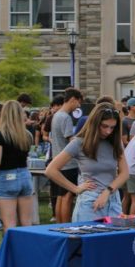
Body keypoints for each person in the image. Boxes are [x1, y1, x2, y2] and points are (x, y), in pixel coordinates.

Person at [45, 102, 128, 222]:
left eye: (112, 127)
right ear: (95, 124)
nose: (108, 131)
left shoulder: (115, 142)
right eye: (104, 126)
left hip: (113, 200)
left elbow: (124, 173)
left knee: (115, 240)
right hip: (90, 202)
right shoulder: (79, 143)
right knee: (87, 239)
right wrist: (75, 189)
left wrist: (107, 191)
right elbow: (51, 170)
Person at [0, 100, 36, 230]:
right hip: (25, 176)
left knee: (9, 224)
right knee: (26, 223)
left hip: (8, 177)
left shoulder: (0, 136)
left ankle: (10, 250)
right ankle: (27, 250)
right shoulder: (27, 135)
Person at [48, 88, 83, 223]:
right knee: (68, 196)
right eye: (78, 103)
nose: (78, 107)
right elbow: (71, 141)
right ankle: (66, 224)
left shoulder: (56, 115)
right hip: (68, 164)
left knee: (60, 197)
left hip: (57, 162)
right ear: (73, 99)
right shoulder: (66, 117)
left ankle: (59, 224)